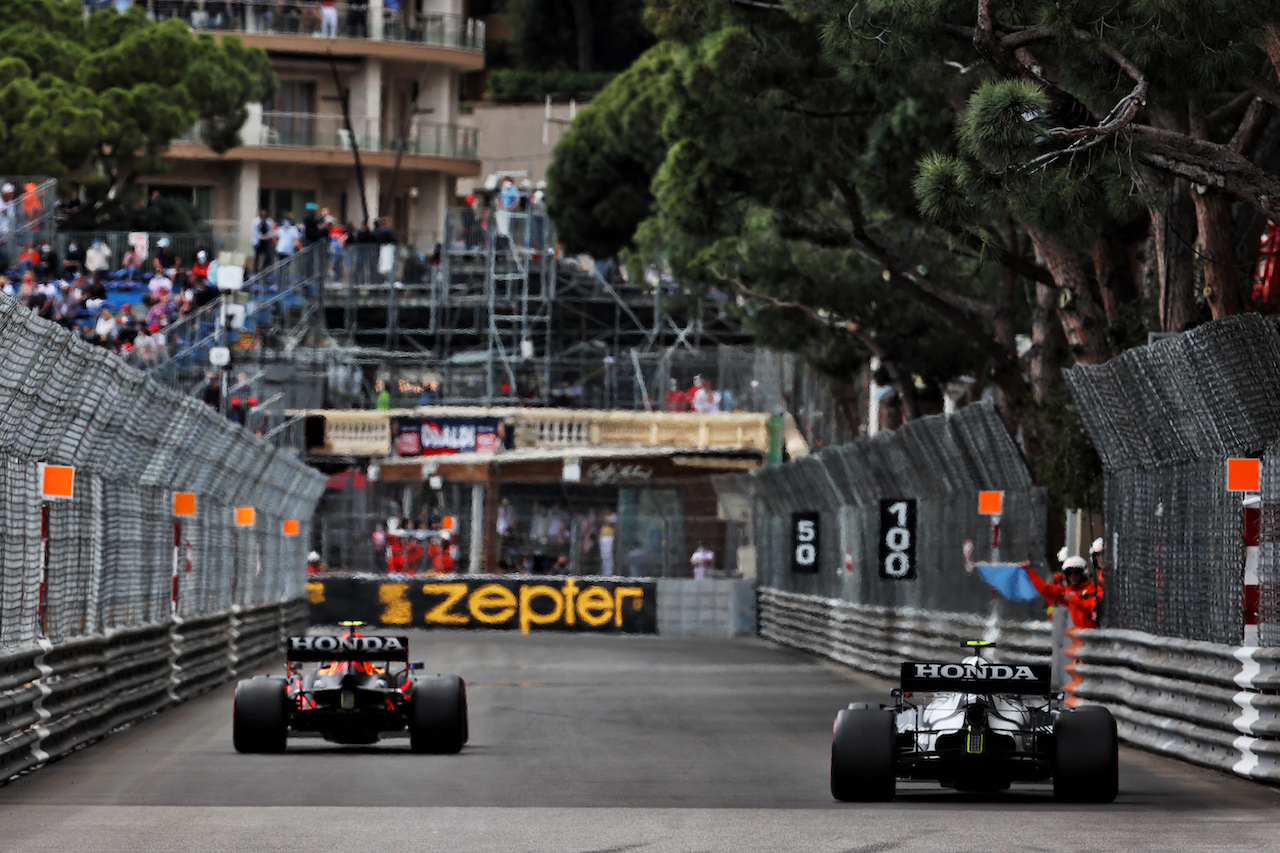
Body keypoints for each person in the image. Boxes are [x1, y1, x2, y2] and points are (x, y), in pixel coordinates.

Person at [1022, 556, 1100, 629]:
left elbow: (1092, 607)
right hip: (1073, 636)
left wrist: (1073, 599)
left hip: (1090, 635)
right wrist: (1030, 570)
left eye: (1076, 572)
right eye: (1069, 573)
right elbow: (1043, 588)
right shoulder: (1065, 591)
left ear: (1083, 573)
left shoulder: (1093, 589)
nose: (1072, 576)